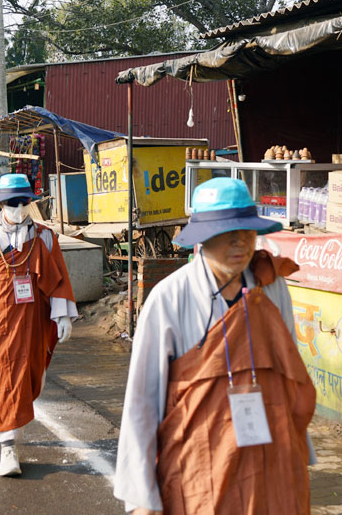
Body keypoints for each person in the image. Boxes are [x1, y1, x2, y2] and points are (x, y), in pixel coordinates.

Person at [113, 177, 316, 515]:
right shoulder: (169, 298)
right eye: (226, 234)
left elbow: (288, 375)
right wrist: (140, 497)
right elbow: (143, 401)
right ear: (203, 238)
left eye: (248, 232)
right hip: (201, 463)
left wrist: (298, 452)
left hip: (269, 457)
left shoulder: (272, 287)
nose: (240, 243)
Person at [0, 173, 77, 477]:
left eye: (24, 202)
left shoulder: (44, 236)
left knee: (29, 378)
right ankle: (7, 447)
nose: (18, 207)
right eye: (12, 202)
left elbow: (58, 279)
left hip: (33, 323)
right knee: (1, 380)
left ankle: (14, 429)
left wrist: (62, 316)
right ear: (1, 203)